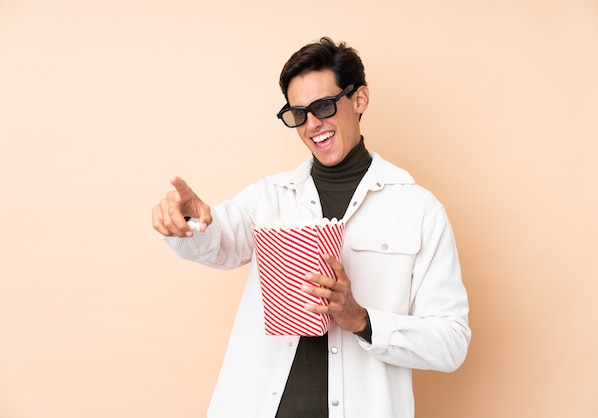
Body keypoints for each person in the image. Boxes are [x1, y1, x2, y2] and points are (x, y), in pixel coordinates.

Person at [152, 36, 471, 418]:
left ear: (359, 100)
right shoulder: (271, 197)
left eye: (323, 106)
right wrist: (187, 221)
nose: (312, 124)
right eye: (299, 113)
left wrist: (362, 321)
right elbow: (218, 241)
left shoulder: (419, 210)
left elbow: (451, 343)